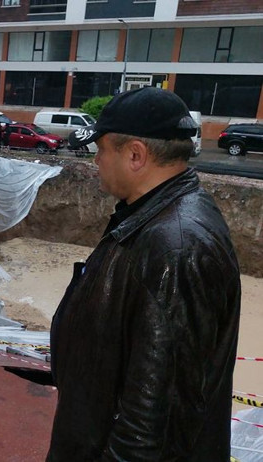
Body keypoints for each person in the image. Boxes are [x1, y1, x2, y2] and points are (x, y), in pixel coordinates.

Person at [48, 86, 241, 461]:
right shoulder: (150, 217)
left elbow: (153, 427)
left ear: (135, 155)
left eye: (101, 150)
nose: (96, 161)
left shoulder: (176, 249)